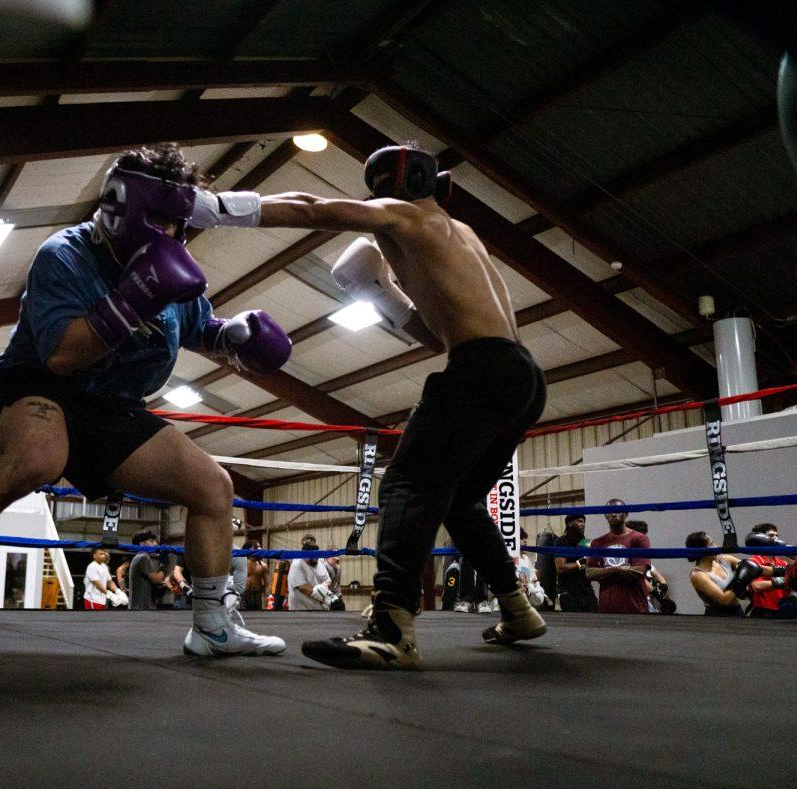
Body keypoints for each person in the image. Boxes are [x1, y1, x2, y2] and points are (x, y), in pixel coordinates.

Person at [0, 144, 290, 657]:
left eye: (178, 219)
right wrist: (134, 296)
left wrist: (232, 338)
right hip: (40, 382)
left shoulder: (166, 262)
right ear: (126, 207)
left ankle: (212, 624)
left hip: (112, 404)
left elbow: (192, 325)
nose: (174, 232)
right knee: (37, 460)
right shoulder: (66, 254)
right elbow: (64, 356)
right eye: (162, 218)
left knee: (212, 486)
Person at [191, 143, 547, 667]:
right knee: (458, 499)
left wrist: (212, 207)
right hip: (523, 377)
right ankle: (518, 608)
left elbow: (314, 208)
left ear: (390, 186)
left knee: (407, 484)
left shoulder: (403, 215)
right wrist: (390, 299)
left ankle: (392, 628)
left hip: (481, 370)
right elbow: (443, 337)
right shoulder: (460, 234)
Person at [586, 499, 651, 614]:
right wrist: (616, 569)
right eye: (609, 511)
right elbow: (589, 573)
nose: (613, 514)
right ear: (605, 515)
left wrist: (605, 572)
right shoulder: (598, 542)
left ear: (625, 514)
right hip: (607, 607)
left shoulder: (639, 538)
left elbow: (640, 571)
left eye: (617, 511)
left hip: (635, 606)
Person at [685, 531, 745, 617]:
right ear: (701, 549)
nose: (716, 547)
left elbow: (752, 567)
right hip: (717, 616)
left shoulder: (725, 559)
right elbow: (723, 600)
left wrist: (772, 570)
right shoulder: (698, 574)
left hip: (738, 611)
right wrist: (742, 580)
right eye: (711, 544)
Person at [744, 524, 794, 618]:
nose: (775, 539)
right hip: (763, 612)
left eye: (777, 536)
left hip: (782, 610)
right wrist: (786, 580)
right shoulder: (754, 562)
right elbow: (757, 586)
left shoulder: (782, 563)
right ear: (759, 539)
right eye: (771, 536)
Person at [553, 514, 597, 612]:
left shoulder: (586, 543)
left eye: (584, 522)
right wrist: (582, 562)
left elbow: (590, 569)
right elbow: (560, 568)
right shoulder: (562, 541)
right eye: (580, 521)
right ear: (570, 523)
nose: (583, 524)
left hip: (588, 592)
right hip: (569, 594)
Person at [288, 543, 338, 611]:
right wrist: (325, 598)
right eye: (314, 555)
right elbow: (303, 587)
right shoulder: (297, 564)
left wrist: (323, 587)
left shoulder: (319, 561)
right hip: (301, 611)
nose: (316, 557)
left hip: (319, 610)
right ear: (305, 555)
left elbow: (328, 580)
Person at [127, 530, 168, 610]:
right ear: (142, 544)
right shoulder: (143, 557)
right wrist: (164, 564)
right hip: (142, 607)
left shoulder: (138, 557)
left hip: (138, 606)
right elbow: (157, 580)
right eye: (151, 541)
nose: (155, 544)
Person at [242, 535, 267, 611]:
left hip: (257, 594)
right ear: (249, 549)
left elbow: (267, 583)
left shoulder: (263, 565)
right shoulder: (241, 563)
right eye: (256, 547)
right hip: (243, 594)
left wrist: (268, 597)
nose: (259, 548)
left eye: (259, 546)